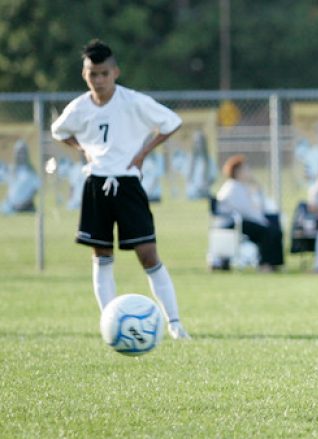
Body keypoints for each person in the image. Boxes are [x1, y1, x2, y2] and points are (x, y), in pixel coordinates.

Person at [50, 39, 190, 339]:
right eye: (92, 74)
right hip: (96, 183)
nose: (98, 80)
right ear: (84, 74)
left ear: (115, 72)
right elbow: (58, 131)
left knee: (148, 254)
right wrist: (83, 150)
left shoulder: (133, 101)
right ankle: (110, 324)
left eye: (103, 73)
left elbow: (171, 122)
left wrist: (142, 153)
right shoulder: (79, 107)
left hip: (127, 184)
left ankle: (175, 324)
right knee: (102, 256)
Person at [216, 154, 284, 271]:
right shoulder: (232, 188)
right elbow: (246, 210)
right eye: (246, 169)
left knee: (274, 225)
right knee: (268, 231)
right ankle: (265, 264)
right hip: (234, 222)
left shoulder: (243, 187)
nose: (249, 171)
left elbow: (257, 206)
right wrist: (262, 221)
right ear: (238, 172)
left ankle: (274, 263)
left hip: (244, 221)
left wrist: (257, 187)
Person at [1, 139, 41, 214]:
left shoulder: (31, 171)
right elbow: (10, 190)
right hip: (11, 205)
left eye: (23, 152)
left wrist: (23, 204)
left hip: (25, 206)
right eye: (19, 153)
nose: (21, 155)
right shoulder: (11, 170)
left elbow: (34, 190)